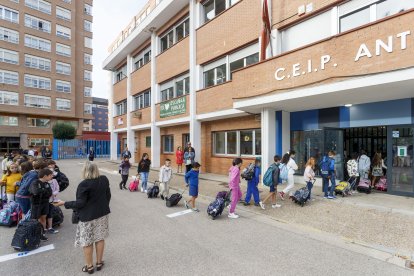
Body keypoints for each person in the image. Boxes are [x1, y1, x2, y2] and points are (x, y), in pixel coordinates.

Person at [55, 161, 111, 274]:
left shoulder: (84, 184)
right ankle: (99, 263)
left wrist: (64, 203)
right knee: (100, 238)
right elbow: (107, 196)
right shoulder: (104, 179)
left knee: (87, 241)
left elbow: (80, 203)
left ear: (85, 171)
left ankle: (89, 266)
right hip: (102, 214)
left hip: (88, 217)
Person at [29, 168, 53, 242]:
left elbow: (50, 193)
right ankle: (35, 234)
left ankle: (42, 232)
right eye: (50, 175)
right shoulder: (35, 183)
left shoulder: (47, 184)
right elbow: (35, 192)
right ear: (45, 176)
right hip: (36, 204)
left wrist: (42, 191)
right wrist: (43, 191)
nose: (52, 177)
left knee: (43, 218)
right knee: (35, 219)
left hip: (45, 203)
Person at [46, 170, 60, 234]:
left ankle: (50, 227)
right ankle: (44, 228)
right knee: (44, 215)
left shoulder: (54, 181)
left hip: (52, 200)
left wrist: (53, 193)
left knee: (50, 214)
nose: (52, 176)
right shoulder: (43, 182)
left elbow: (57, 189)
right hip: (45, 201)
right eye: (51, 175)